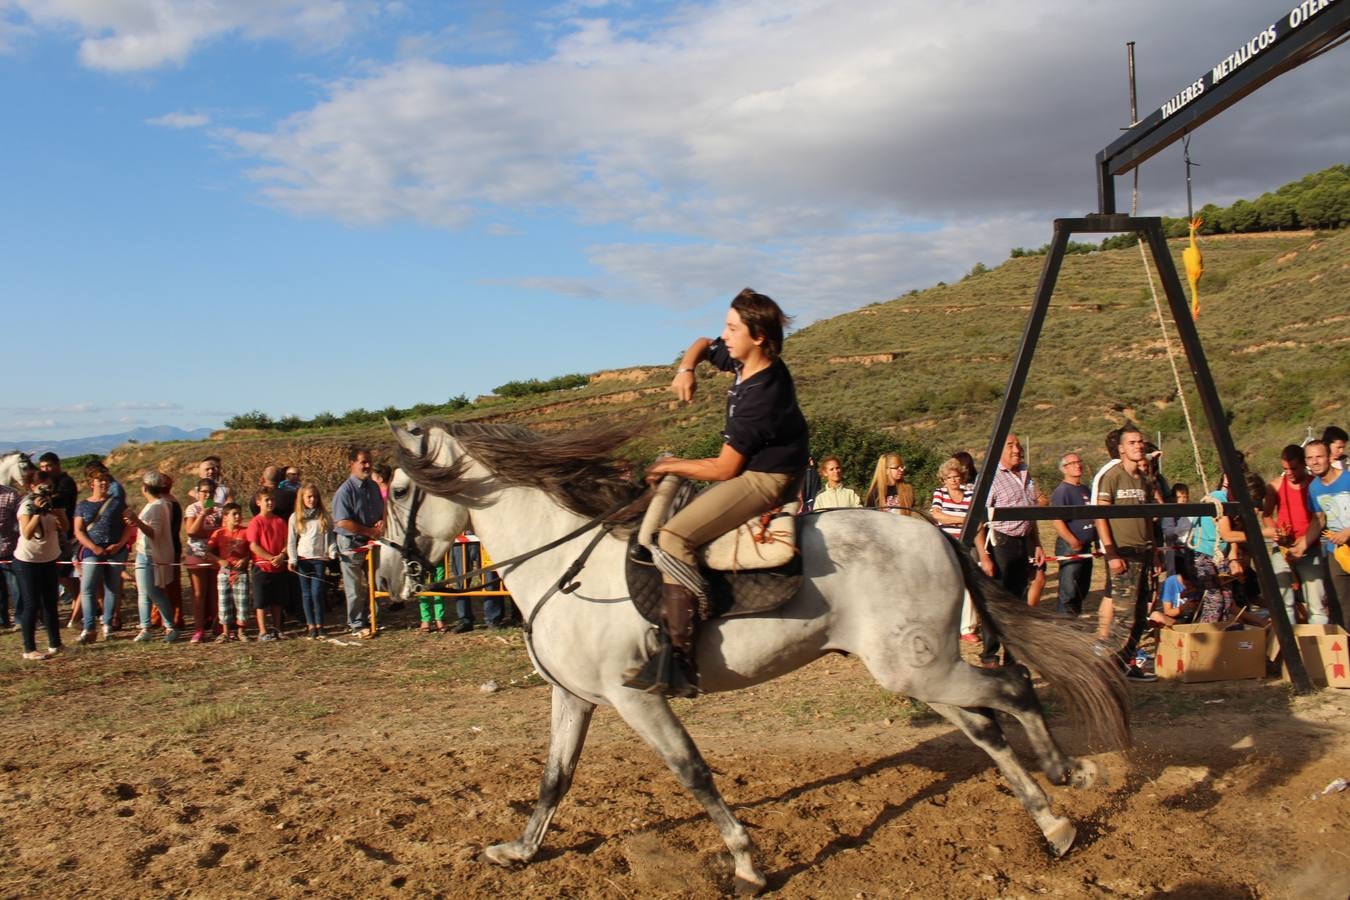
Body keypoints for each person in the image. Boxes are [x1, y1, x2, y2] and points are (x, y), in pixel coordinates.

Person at [626, 288, 809, 697]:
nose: (724, 335)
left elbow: (726, 468)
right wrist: (685, 368)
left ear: (758, 336)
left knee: (673, 536)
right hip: (754, 468)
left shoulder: (761, 396)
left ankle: (680, 656)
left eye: (732, 328)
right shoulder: (748, 363)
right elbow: (703, 344)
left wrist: (669, 464)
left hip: (765, 478)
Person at [974, 434, 1044, 667]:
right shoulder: (990, 478)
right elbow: (977, 519)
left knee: (1018, 600)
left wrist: (1036, 544)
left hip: (1023, 541)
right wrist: (984, 557)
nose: (1017, 449)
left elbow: (1031, 511)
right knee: (997, 601)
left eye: (1018, 445)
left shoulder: (1025, 472)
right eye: (1010, 445)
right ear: (998, 450)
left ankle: (1012, 658)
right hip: (1000, 543)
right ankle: (990, 655)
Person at [1093, 424, 1156, 680]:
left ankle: (1123, 666)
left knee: (1140, 615)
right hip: (1123, 554)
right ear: (1121, 449)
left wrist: (1156, 550)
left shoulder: (1143, 479)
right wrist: (1111, 553)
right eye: (1132, 442)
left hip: (1144, 553)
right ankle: (1102, 671)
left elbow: (1149, 517)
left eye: (1140, 441)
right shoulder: (1113, 476)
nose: (1138, 446)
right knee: (1123, 617)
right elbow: (1100, 516)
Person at [1264, 444, 1329, 625]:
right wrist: (1276, 532)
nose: (1289, 473)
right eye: (1285, 469)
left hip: (1310, 547)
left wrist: (1306, 541)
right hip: (1283, 548)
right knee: (1284, 603)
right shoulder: (1275, 486)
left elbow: (1320, 517)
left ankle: (1317, 646)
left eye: (1293, 468)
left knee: (1316, 603)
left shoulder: (1314, 485)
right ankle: (1289, 648)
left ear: (1303, 465)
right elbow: (1267, 515)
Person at [14, 468, 67, 660]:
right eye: (43, 487)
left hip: (48, 559)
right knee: (32, 604)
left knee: (50, 603)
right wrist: (37, 512)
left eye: (50, 487)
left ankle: (56, 644)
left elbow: (65, 528)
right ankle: (29, 649)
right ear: (32, 487)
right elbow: (27, 533)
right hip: (27, 561)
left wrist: (58, 513)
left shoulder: (52, 503)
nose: (47, 491)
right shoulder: (26, 506)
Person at [72, 465, 128, 642]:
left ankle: (107, 624)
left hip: (115, 550)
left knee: (112, 588)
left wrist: (119, 544)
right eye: (99, 480)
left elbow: (129, 526)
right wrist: (93, 547)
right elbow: (78, 530)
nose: (104, 483)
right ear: (91, 483)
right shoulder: (83, 505)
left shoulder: (118, 503)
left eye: (106, 480)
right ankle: (89, 628)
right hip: (92, 549)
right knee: (88, 588)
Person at [333, 447, 385, 638]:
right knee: (354, 587)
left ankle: (373, 618)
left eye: (369, 461)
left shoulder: (373, 486)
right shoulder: (344, 491)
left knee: (376, 581)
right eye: (363, 461)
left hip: (371, 541)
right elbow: (343, 522)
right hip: (351, 543)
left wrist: (382, 521)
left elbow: (382, 510)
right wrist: (370, 531)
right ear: (352, 464)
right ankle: (356, 623)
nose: (367, 465)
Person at [124, 471, 178, 643]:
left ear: (145, 488)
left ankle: (169, 626)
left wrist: (136, 521)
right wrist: (135, 522)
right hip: (143, 553)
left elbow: (154, 533)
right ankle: (145, 627)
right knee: (143, 592)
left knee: (153, 592)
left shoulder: (156, 507)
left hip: (150, 555)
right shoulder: (158, 504)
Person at [1305, 440, 1350, 620]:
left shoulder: (1347, 479)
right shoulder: (1314, 488)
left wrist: (1348, 532)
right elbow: (1319, 520)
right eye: (1310, 458)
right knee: (1340, 604)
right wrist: (1302, 544)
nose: (1314, 462)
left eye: (1319, 456)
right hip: (1337, 552)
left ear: (1329, 457)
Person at [288, 483, 336, 639]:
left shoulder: (324, 516)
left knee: (317, 593)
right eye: (309, 497)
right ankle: (311, 625)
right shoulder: (296, 517)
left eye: (315, 496)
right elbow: (291, 540)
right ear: (302, 498)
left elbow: (330, 538)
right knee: (306, 594)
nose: (312, 499)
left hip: (319, 559)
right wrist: (293, 558)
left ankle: (320, 624)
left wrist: (332, 552)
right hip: (303, 560)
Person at [1050, 452, 1095, 617]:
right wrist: (1072, 540)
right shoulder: (1062, 491)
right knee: (1068, 590)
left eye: (1079, 461)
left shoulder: (1085, 489)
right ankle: (1064, 625)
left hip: (1086, 546)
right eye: (1073, 463)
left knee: (1082, 587)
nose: (1078, 465)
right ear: (1064, 469)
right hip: (1070, 547)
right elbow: (1057, 520)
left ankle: (1074, 622)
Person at [36, 452, 79, 614]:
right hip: (47, 532)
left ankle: (77, 598)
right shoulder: (47, 483)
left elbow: (62, 501)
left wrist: (47, 499)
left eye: (48, 465)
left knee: (63, 571)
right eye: (42, 466)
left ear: (57, 465)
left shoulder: (66, 482)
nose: (45, 469)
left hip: (64, 530)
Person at [183, 478, 223, 643]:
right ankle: (198, 629)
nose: (207, 495)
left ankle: (217, 626)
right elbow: (191, 532)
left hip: (215, 554)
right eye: (204, 492)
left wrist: (207, 533)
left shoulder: (220, 509)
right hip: (196, 554)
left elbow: (223, 532)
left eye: (210, 492)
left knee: (215, 592)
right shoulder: (192, 508)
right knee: (199, 593)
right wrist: (203, 515)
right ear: (198, 492)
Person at [247, 488, 289, 641]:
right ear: (259, 502)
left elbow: (287, 542)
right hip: (261, 568)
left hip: (279, 567)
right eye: (267, 500)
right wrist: (271, 558)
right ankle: (263, 631)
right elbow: (253, 546)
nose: (270, 502)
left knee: (278, 600)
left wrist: (282, 555)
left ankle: (277, 628)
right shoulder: (255, 522)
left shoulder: (280, 521)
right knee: (261, 601)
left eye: (272, 500)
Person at [207, 503, 251, 641]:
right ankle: (225, 632)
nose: (238, 517)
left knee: (241, 601)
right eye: (234, 514)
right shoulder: (219, 533)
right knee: (224, 601)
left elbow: (252, 550)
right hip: (225, 569)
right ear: (226, 516)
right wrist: (220, 561)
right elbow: (208, 552)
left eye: (239, 513)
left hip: (240, 570)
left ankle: (241, 632)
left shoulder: (246, 531)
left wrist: (245, 559)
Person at [930, 457, 972, 539]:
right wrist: (963, 520)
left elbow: (973, 520)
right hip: (946, 540)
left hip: (967, 540)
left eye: (956, 476)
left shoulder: (970, 495)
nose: (953, 480)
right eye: (949, 477)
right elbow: (937, 515)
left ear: (962, 477)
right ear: (944, 480)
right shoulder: (940, 492)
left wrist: (948, 519)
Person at [0, 475, 21, 630]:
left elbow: (20, 521)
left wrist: (9, 529)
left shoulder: (11, 494)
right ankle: (2, 621)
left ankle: (20, 620)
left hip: (10, 549)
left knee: (16, 587)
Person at [1161, 482, 1194, 577]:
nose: (1183, 500)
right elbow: (1168, 532)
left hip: (1189, 552)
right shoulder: (1170, 513)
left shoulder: (1192, 511)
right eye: (1179, 497)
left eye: (1185, 497)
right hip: (1175, 553)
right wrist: (1179, 529)